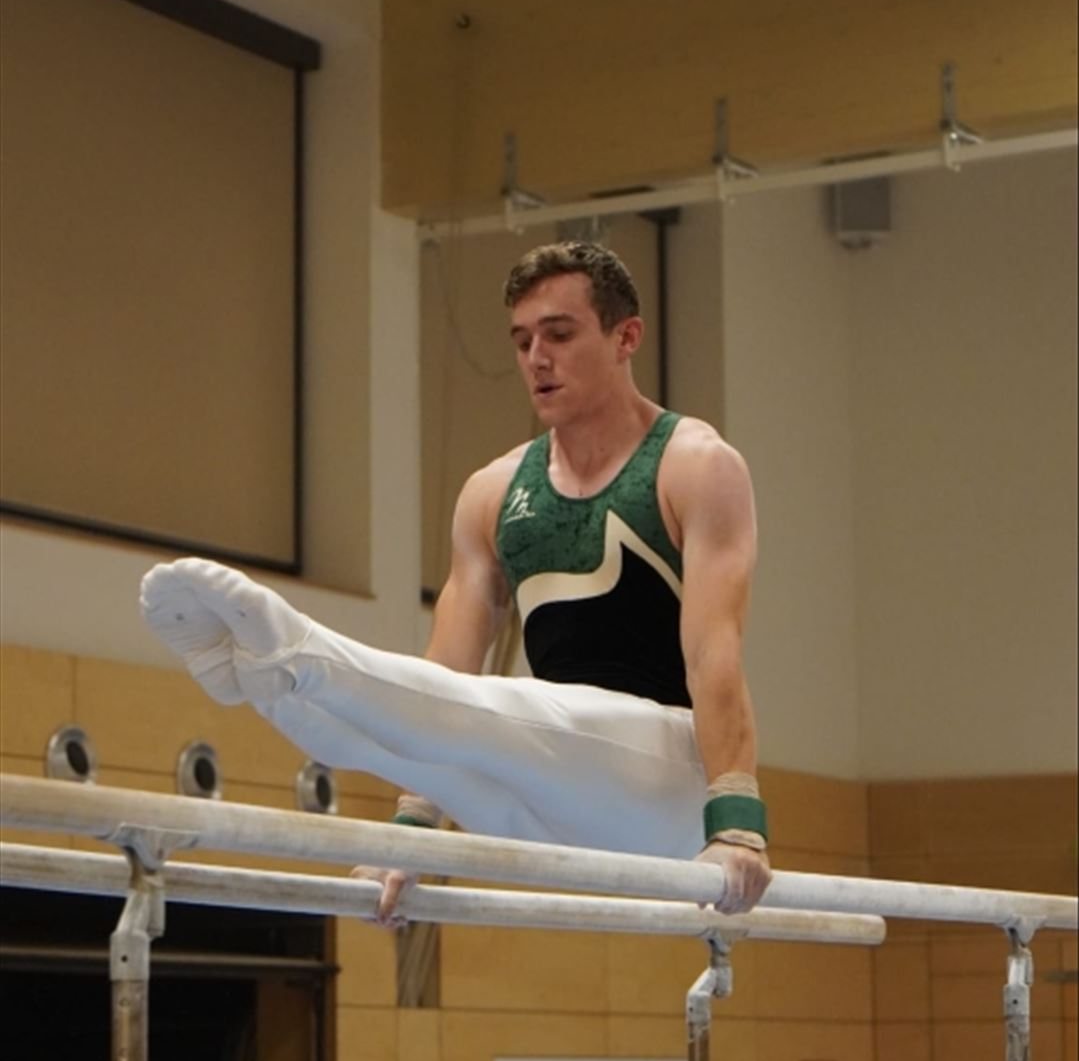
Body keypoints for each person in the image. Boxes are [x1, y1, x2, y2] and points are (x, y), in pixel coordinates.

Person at [140, 240, 771, 920]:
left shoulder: (693, 465)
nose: (537, 358)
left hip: (668, 787)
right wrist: (411, 835)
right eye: (522, 341)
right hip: (550, 802)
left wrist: (736, 824)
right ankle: (273, 686)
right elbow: (443, 683)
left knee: (516, 715)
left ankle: (298, 654)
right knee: (446, 734)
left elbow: (714, 654)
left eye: (559, 335)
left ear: (626, 337)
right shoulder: (492, 493)